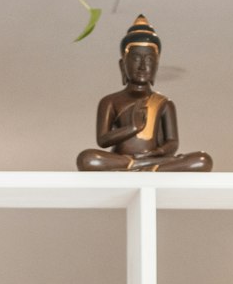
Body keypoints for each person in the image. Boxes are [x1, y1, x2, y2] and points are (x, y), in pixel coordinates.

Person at [74, 15, 214, 172]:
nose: (142, 66)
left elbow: (172, 142)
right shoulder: (110, 101)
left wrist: (157, 152)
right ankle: (146, 168)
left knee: (203, 160)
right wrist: (133, 127)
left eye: (149, 60)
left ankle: (140, 167)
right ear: (122, 65)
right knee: (87, 158)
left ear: (156, 66)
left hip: (154, 158)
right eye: (135, 59)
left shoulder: (164, 103)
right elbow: (103, 140)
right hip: (122, 159)